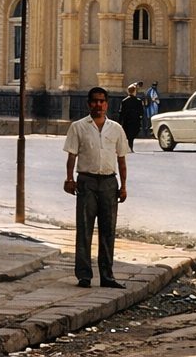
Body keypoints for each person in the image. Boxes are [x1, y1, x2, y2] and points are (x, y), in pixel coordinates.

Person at [63, 86, 130, 289]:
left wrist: (124, 186)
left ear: (107, 104)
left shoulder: (116, 129)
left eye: (102, 101)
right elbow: (71, 156)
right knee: (84, 228)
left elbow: (122, 160)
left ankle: (107, 275)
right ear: (88, 103)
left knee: (108, 230)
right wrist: (69, 180)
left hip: (109, 182)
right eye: (94, 101)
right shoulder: (78, 127)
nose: (98, 105)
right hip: (86, 181)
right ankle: (84, 275)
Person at [118, 83, 146, 148]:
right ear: (134, 91)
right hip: (135, 120)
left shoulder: (124, 101)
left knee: (127, 134)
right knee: (132, 135)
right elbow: (141, 111)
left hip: (127, 121)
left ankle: (127, 147)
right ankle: (130, 147)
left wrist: (120, 121)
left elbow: (122, 112)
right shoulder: (138, 101)